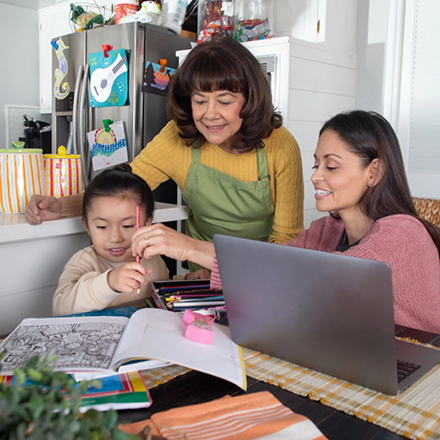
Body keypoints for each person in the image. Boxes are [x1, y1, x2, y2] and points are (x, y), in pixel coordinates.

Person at [132, 110, 440, 334]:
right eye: (317, 164)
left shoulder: (403, 233)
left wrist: (188, 248)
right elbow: (270, 274)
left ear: (373, 172)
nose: (316, 175)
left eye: (331, 166)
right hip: (352, 352)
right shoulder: (325, 230)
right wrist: (212, 272)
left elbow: (308, 279)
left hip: (421, 367)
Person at [25, 37, 304, 271]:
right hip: (201, 273)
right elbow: (121, 193)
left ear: (250, 100)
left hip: (263, 272)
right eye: (199, 100)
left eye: (225, 101)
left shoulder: (280, 147)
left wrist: (189, 248)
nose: (210, 114)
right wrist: (60, 207)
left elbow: (286, 246)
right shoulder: (177, 137)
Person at [52, 164, 170, 316]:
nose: (115, 238)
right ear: (87, 226)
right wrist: (109, 282)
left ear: (147, 223)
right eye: (102, 227)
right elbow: (60, 307)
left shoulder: (152, 257)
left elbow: (162, 290)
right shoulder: (84, 261)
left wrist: (186, 281)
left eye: (127, 225)